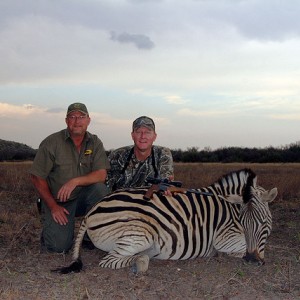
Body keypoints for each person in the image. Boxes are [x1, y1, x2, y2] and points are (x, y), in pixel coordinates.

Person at [29, 102, 110, 253]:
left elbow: (101, 174)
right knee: (58, 247)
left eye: (81, 117)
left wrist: (75, 181)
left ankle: (88, 236)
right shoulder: (51, 142)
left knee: (100, 190)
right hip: (59, 202)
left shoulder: (95, 142)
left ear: (88, 120)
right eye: (72, 117)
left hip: (83, 198)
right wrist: (53, 207)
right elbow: (36, 177)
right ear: (66, 121)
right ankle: (50, 229)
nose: (77, 121)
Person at [106, 116, 174, 192]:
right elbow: (106, 185)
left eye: (147, 132)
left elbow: (165, 183)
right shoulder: (117, 155)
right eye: (138, 132)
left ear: (154, 136)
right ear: (132, 135)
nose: (143, 136)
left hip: (151, 201)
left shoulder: (163, 154)